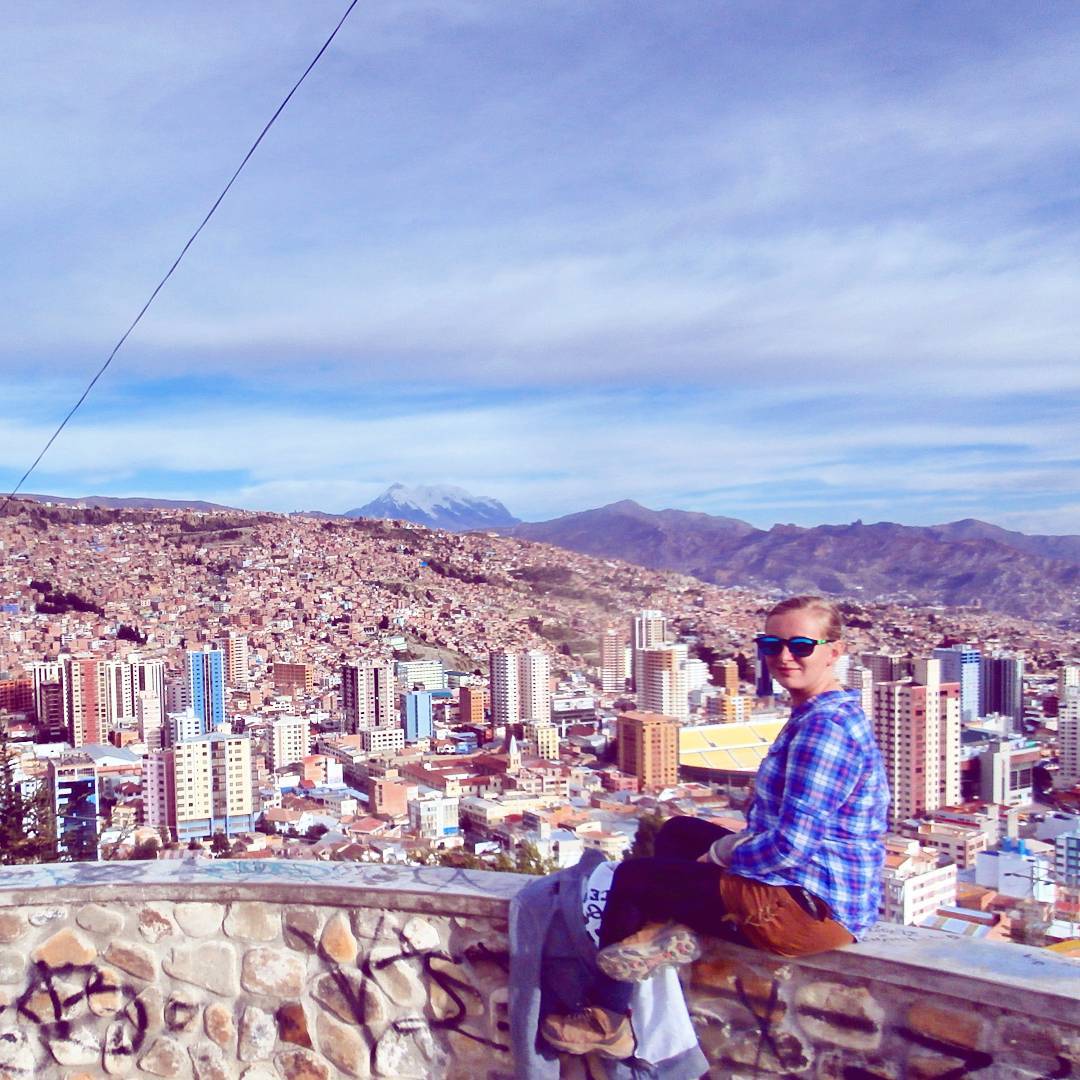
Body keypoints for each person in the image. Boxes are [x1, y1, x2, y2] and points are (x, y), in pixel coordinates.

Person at [541, 595, 890, 1060]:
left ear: (834, 651)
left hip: (807, 908)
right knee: (678, 833)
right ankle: (666, 934)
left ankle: (609, 1019)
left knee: (632, 880)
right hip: (812, 891)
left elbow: (789, 847)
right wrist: (718, 852)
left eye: (801, 645)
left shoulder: (824, 729)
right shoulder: (819, 713)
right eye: (773, 644)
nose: (785, 656)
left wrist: (723, 856)